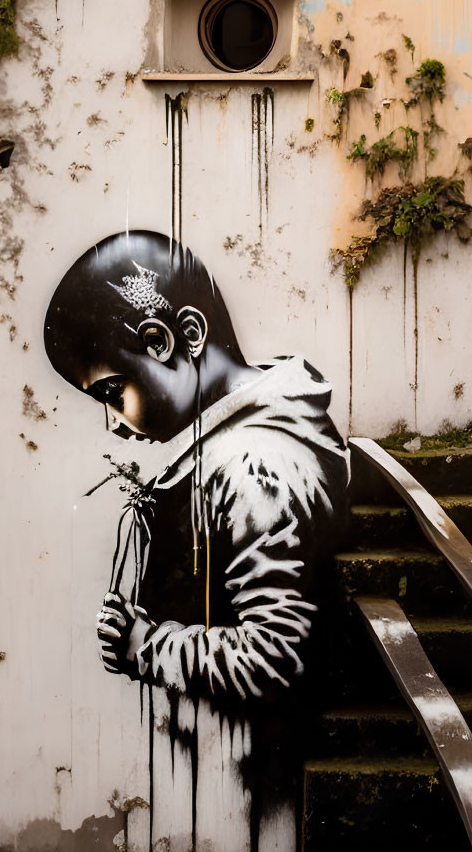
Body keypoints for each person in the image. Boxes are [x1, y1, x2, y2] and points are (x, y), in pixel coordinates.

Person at [44, 230, 349, 843]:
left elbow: (274, 657)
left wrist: (145, 646)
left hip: (261, 803)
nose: (115, 424)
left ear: (172, 341)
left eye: (112, 392)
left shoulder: (255, 468)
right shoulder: (252, 445)